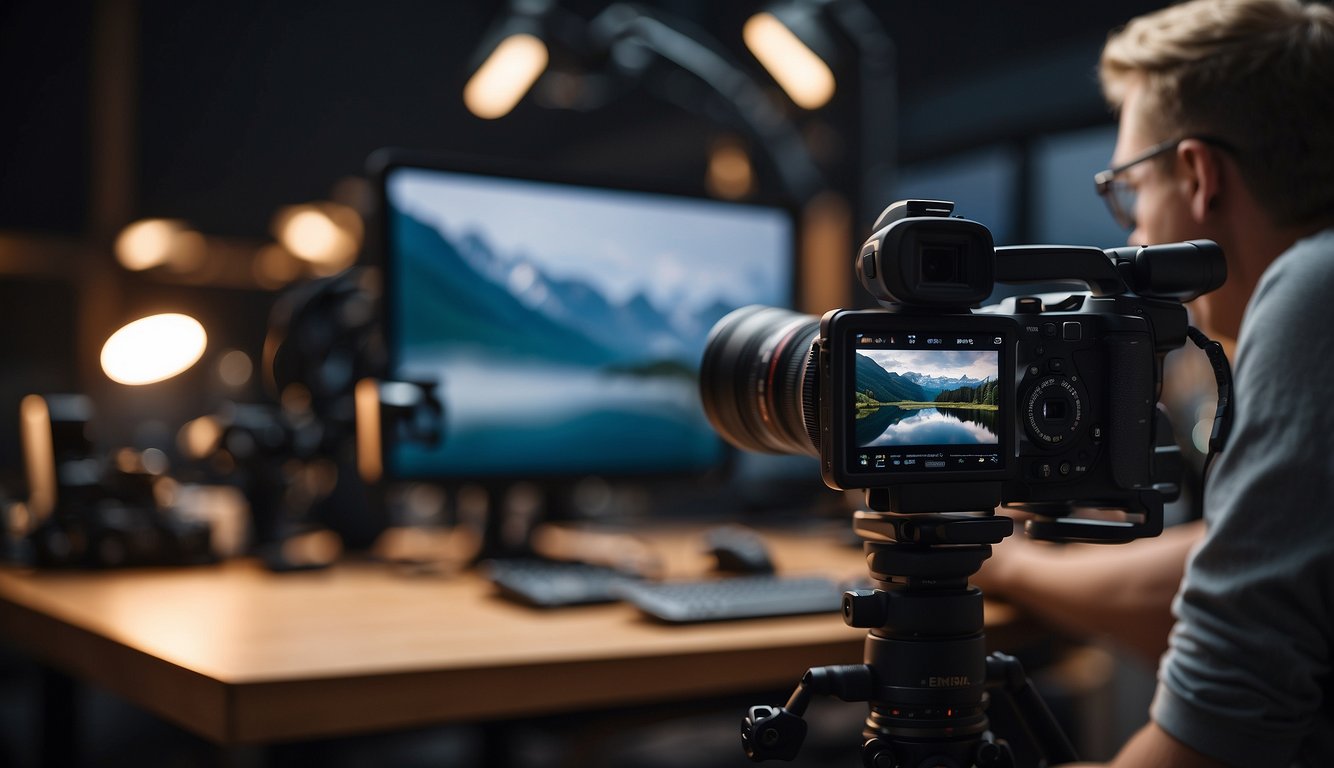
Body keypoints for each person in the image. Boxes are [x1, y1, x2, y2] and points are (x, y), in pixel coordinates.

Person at [972, 0, 1334, 765]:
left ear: (1200, 174)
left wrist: (992, 558)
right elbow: (1241, 562)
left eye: (1132, 189)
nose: (1132, 234)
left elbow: (1217, 737)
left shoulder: (1315, 288)